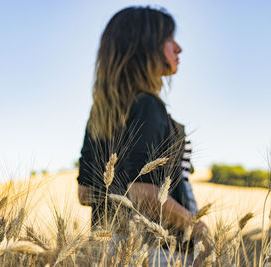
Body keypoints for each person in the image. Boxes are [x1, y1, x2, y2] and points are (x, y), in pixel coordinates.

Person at [76, 6, 210, 266]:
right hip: (160, 250)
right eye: (169, 39)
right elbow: (143, 193)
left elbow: (85, 193)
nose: (178, 48)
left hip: (108, 250)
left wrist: (120, 197)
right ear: (146, 47)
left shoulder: (101, 111)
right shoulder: (149, 106)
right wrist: (197, 227)